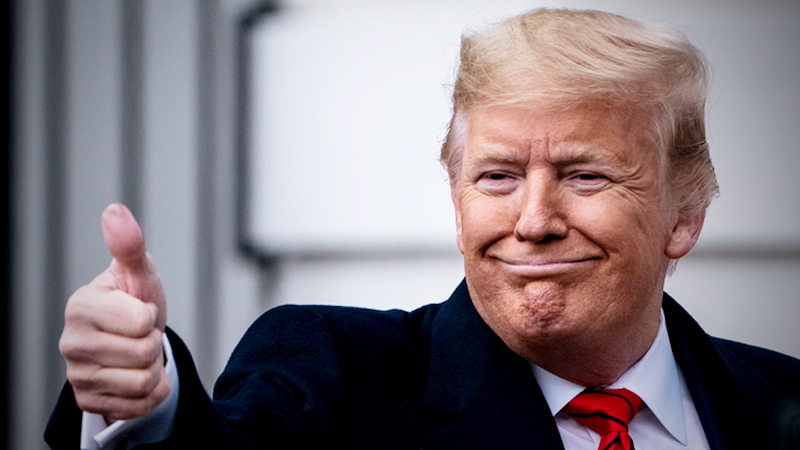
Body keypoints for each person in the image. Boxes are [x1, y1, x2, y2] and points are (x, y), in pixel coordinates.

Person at [46, 8, 800, 450]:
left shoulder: (781, 401)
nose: (532, 222)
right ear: (455, 194)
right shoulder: (332, 375)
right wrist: (145, 410)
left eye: (585, 175)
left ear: (687, 214)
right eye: (497, 177)